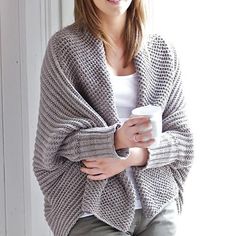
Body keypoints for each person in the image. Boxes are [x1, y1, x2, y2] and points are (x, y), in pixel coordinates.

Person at [32, 0, 194, 235]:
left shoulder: (162, 51)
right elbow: (56, 142)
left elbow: (183, 142)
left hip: (157, 203)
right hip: (92, 208)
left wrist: (131, 157)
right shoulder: (64, 48)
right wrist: (116, 139)